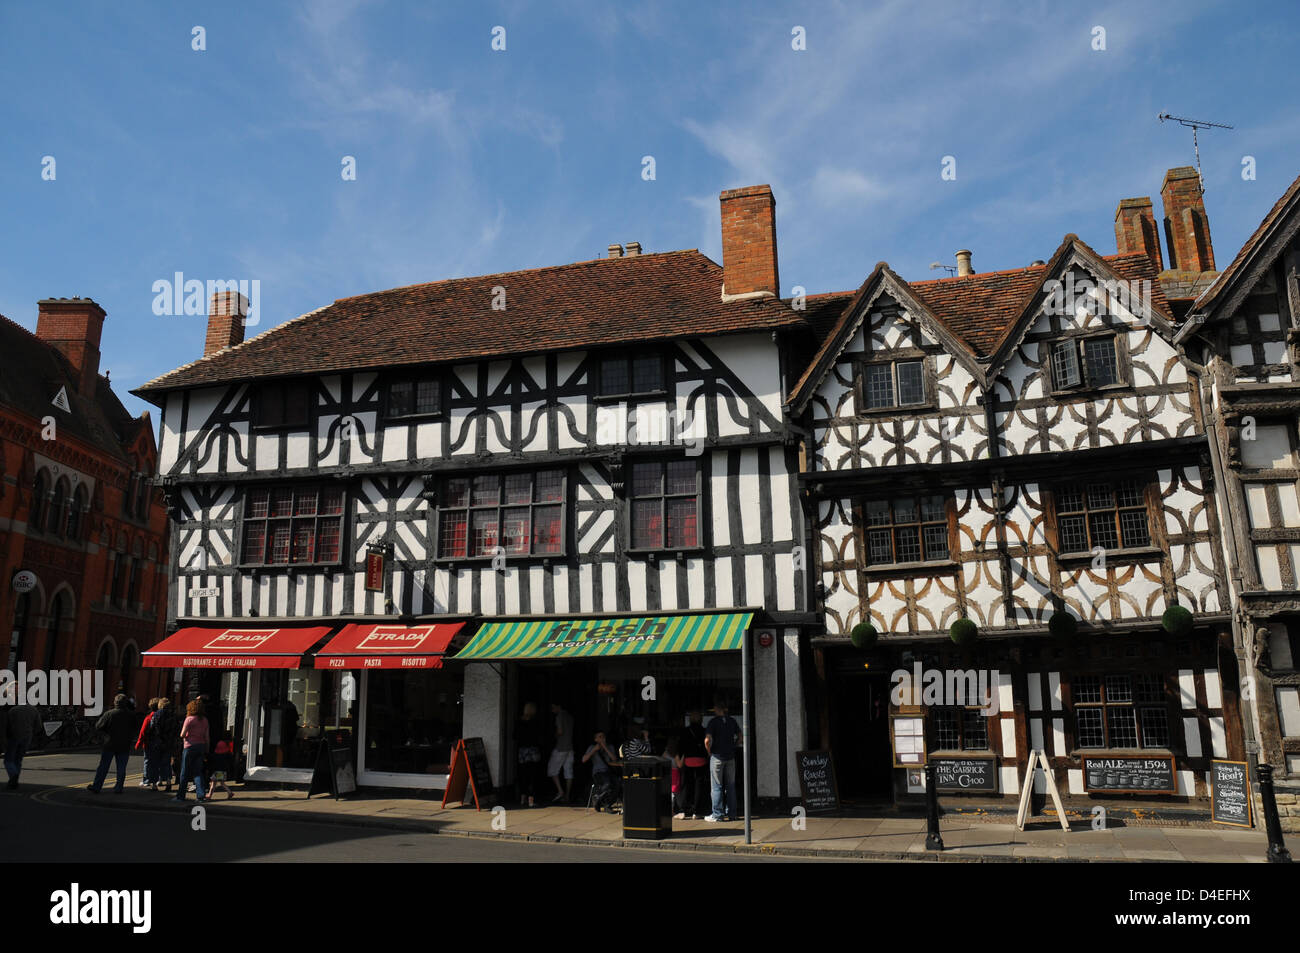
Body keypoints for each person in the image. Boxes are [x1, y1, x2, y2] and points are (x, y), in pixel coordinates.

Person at [88, 695, 137, 794]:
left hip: (109, 744)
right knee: (121, 768)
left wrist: (105, 735)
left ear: (115, 703)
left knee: (103, 767)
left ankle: (97, 786)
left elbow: (98, 726)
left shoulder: (109, 714)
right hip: (124, 745)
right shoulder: (131, 715)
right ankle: (119, 787)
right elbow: (135, 729)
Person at [704, 698, 741, 823]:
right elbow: (741, 736)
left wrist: (709, 752)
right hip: (730, 757)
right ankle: (732, 814)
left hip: (717, 757)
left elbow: (707, 740)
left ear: (716, 709)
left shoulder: (713, 722)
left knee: (716, 787)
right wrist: (735, 745)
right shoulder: (732, 721)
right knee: (731, 786)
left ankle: (717, 815)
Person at [3, 682, 45, 791]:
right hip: (27, 737)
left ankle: (13, 776)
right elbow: (38, 726)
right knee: (18, 759)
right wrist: (31, 733)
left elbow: (6, 724)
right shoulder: (32, 709)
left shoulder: (11, 709)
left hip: (14, 736)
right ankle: (14, 781)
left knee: (8, 759)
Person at [174, 698, 210, 802]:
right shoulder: (205, 720)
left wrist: (187, 735)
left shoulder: (189, 719)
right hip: (201, 746)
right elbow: (207, 737)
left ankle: (180, 796)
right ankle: (200, 795)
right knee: (198, 772)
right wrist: (206, 749)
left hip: (189, 747)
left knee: (184, 772)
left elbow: (182, 734)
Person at [678, 710, 709, 819]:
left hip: (688, 761)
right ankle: (697, 810)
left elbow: (680, 747)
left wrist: (680, 758)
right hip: (701, 761)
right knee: (699, 786)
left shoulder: (685, 731)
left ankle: (685, 810)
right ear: (701, 720)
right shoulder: (704, 730)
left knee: (686, 785)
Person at [582, 730, 620, 812]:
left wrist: (605, 747)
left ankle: (606, 803)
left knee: (617, 783)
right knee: (607, 783)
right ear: (595, 739)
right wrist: (594, 750)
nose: (602, 738)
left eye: (603, 736)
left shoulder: (610, 747)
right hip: (598, 772)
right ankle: (598, 799)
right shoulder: (592, 747)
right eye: (599, 737)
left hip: (609, 772)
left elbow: (614, 759)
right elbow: (583, 760)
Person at [516, 702, 543, 807]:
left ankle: (522, 798)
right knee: (532, 775)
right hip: (532, 751)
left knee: (523, 774)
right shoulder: (535, 722)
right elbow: (539, 736)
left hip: (522, 751)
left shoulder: (519, 722)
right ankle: (531, 800)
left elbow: (515, 735)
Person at [547, 703, 575, 803]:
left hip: (561, 747)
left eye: (553, 707)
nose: (552, 709)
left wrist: (554, 736)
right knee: (568, 772)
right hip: (570, 747)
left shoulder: (559, 716)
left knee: (552, 770)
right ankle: (567, 795)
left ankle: (560, 791)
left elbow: (560, 731)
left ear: (559, 706)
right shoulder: (570, 716)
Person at [153, 697, 180, 792]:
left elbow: (153, 728)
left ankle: (155, 784)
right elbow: (177, 729)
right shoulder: (174, 715)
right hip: (169, 742)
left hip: (158, 742)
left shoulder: (157, 714)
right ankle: (168, 783)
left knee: (156, 763)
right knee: (167, 763)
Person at [134, 699, 160, 789]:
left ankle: (146, 780)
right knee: (156, 762)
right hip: (158, 743)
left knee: (148, 762)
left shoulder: (148, 718)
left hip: (148, 743)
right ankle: (156, 780)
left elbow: (143, 732)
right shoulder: (161, 718)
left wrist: (138, 744)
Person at [208, 729, 235, 799]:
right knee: (221, 783)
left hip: (218, 768)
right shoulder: (228, 745)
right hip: (224, 768)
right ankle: (229, 792)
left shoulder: (220, 743)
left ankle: (209, 795)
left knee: (214, 782)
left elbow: (215, 755)